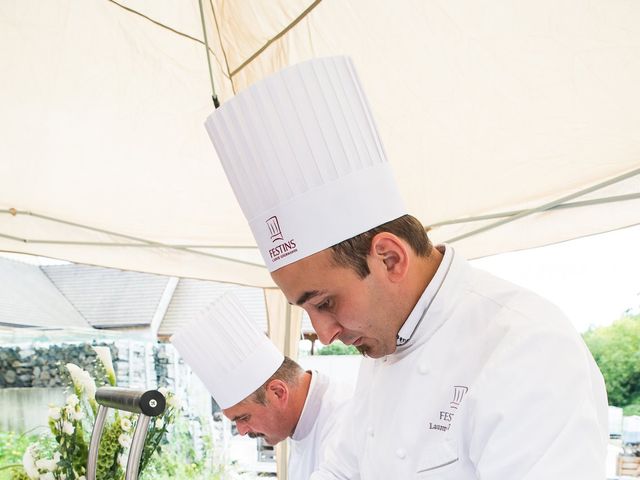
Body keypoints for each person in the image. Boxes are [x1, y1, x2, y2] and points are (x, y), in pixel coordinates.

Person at [203, 56, 609, 479]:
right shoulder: (384, 348)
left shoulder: (527, 348)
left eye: (325, 302)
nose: (324, 334)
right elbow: (342, 468)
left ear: (389, 258)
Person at [170, 293, 352, 479]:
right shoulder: (297, 424)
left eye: (243, 417)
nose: (241, 431)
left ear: (278, 393)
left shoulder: (346, 422)